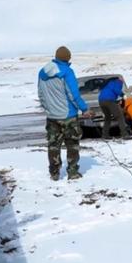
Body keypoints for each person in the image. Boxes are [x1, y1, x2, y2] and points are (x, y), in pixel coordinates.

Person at [37, 46, 91, 181]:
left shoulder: (42, 72)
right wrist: (84, 109)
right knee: (72, 144)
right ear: (68, 58)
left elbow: (41, 94)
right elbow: (73, 95)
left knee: (53, 145)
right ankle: (72, 172)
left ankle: (54, 173)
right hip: (68, 116)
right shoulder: (67, 72)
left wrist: (48, 109)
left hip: (52, 117)